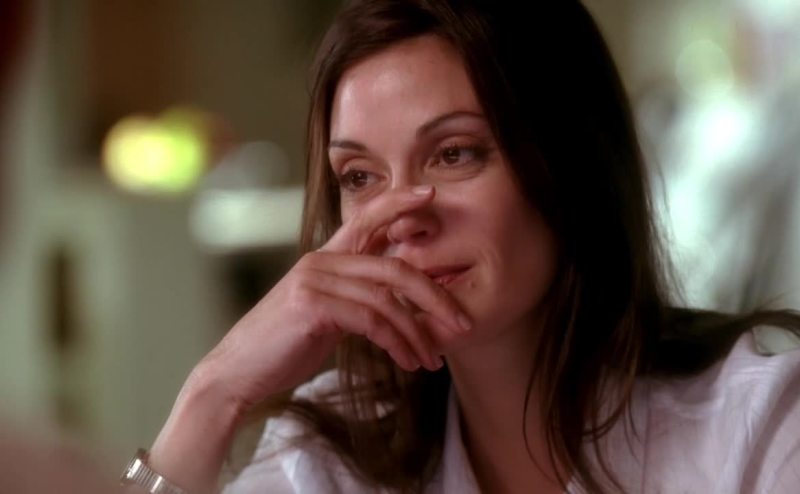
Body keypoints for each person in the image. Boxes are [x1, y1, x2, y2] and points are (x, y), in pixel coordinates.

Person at [134, 1, 800, 493]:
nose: (402, 219)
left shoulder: (759, 428)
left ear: (573, 165)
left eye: (453, 153)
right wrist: (214, 392)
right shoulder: (327, 461)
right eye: (360, 177)